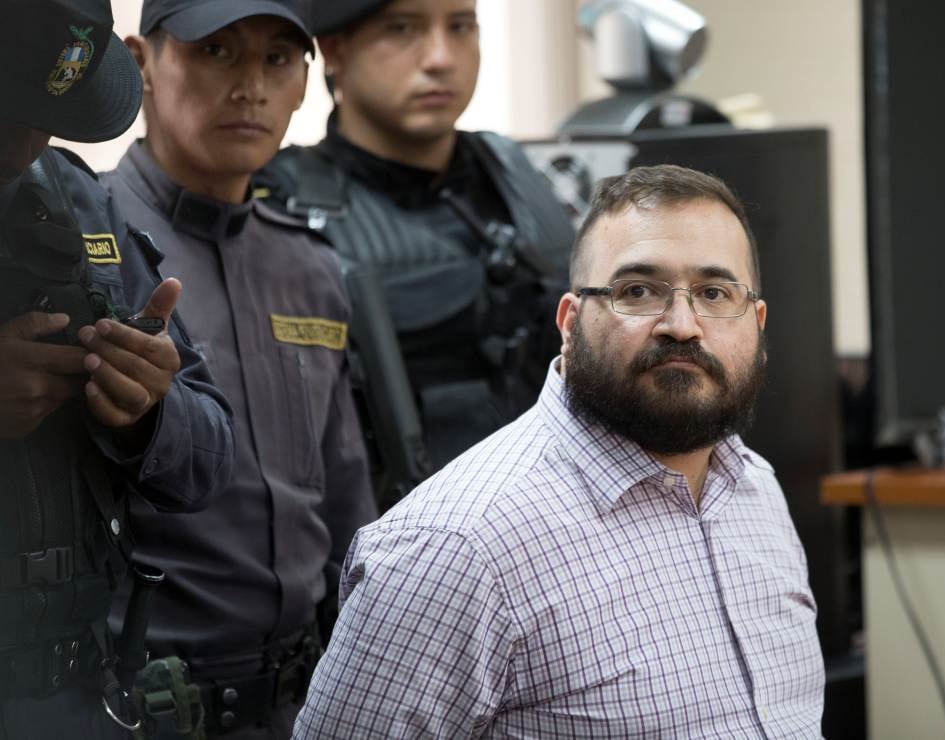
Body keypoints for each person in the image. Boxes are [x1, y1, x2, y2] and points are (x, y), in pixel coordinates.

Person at [293, 165, 826, 739]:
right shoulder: (454, 547)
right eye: (638, 291)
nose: (681, 325)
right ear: (570, 324)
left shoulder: (754, 488)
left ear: (757, 322)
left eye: (715, 294)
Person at [102, 1, 377, 737]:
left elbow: (346, 497)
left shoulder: (311, 268)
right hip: (130, 704)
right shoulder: (81, 239)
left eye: (278, 59)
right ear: (140, 66)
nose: (250, 85)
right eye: (216, 52)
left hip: (306, 700)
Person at [0, 0, 236, 737]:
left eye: (48, 114)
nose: (25, 143)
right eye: (8, 108)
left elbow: (210, 462)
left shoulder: (73, 201)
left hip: (77, 692)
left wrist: (148, 413)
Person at [258, 0, 575, 505]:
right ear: (334, 50)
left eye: (461, 26)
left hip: (553, 517)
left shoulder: (513, 173)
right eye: (402, 29)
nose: (441, 58)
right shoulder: (281, 202)